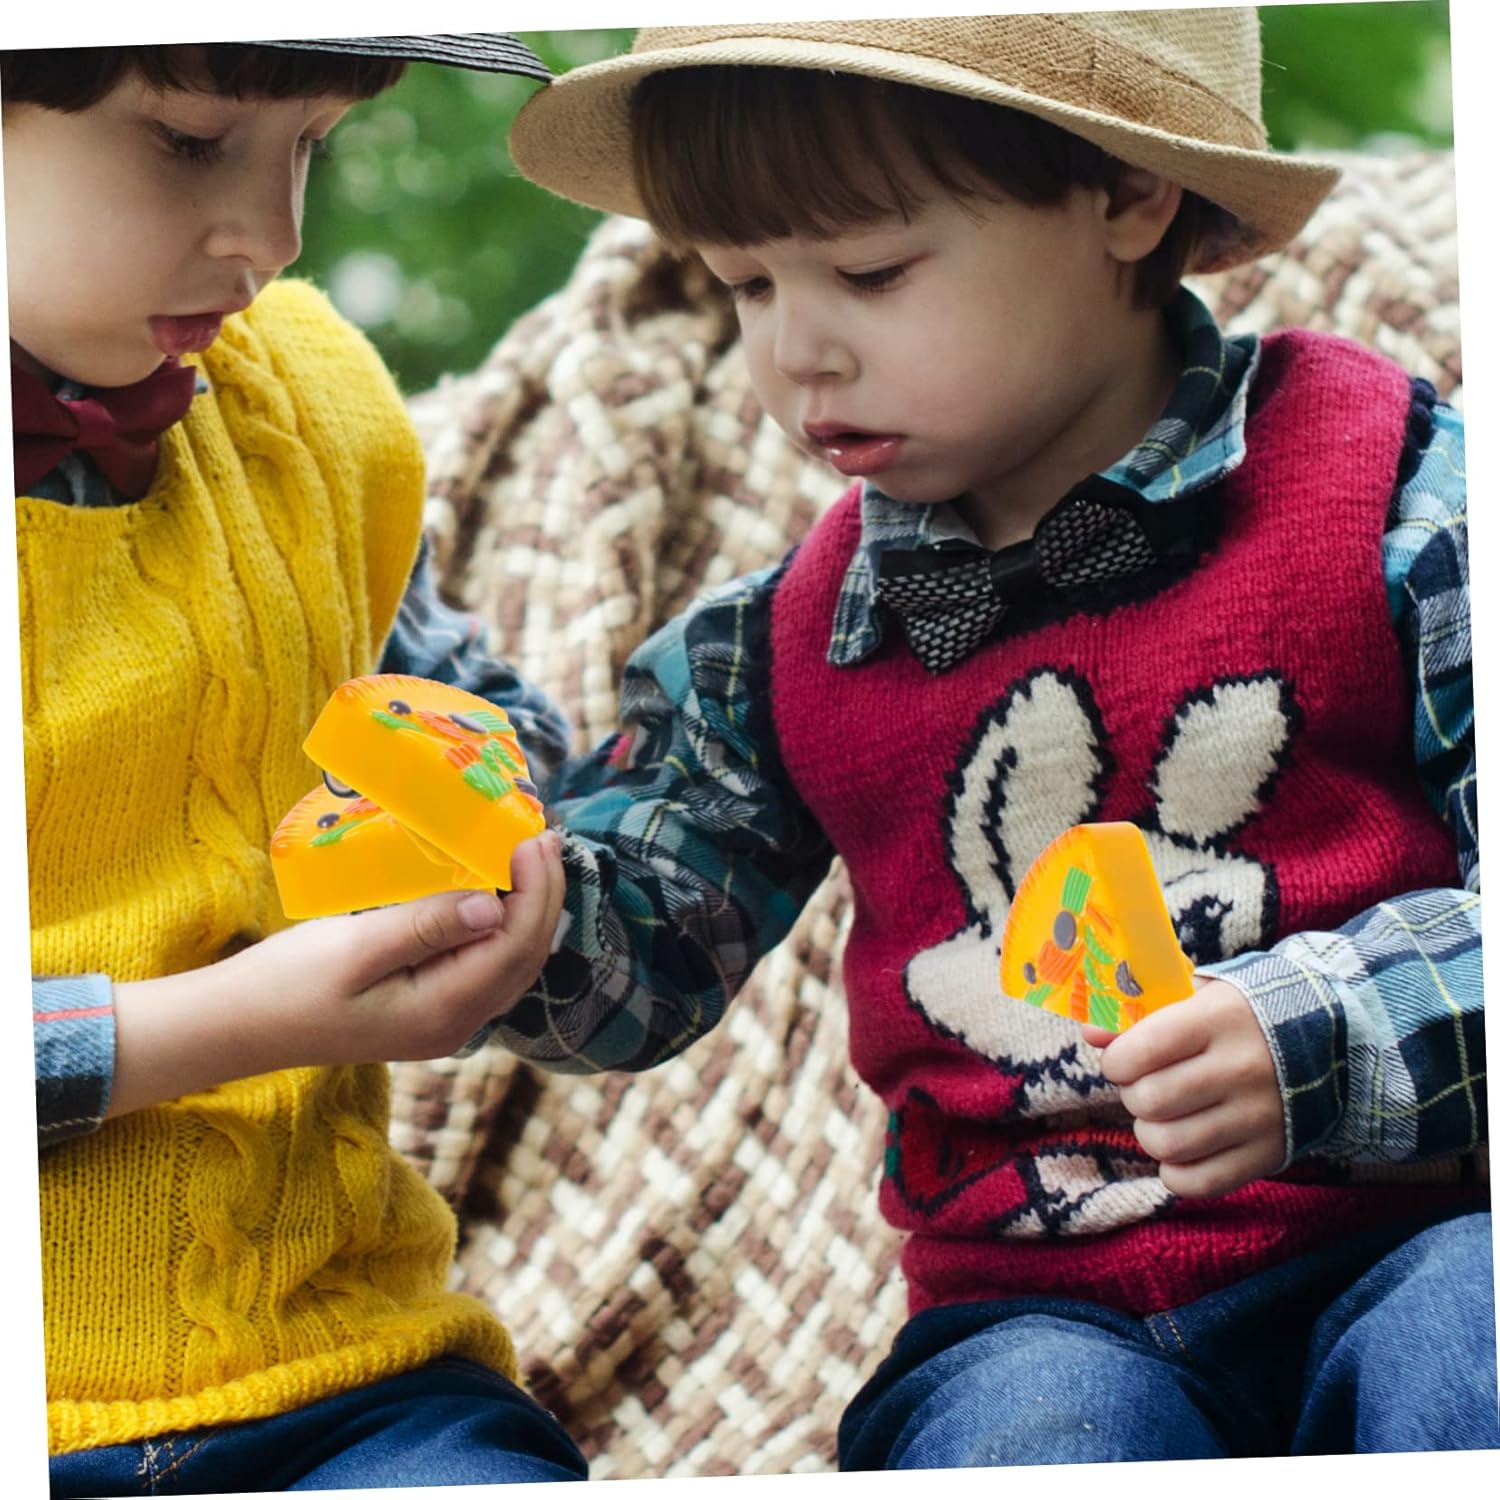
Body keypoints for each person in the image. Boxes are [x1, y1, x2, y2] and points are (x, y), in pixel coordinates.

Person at [494, 10, 1494, 1466]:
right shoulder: (784, 638)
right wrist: (504, 906)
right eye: (745, 283)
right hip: (1038, 1312)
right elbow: (640, 960)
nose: (797, 353)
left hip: (1419, 1228)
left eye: (870, 272)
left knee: (1471, 1340)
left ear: (1127, 193)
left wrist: (1320, 1034)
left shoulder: (1394, 485)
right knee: (1037, 1436)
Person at [11, 35, 590, 1493]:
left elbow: (453, 709)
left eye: (311, 146)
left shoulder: (309, 412)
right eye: (191, 141)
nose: (272, 237)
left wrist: (493, 837)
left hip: (349, 1375)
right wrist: (234, 1024)